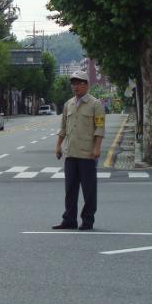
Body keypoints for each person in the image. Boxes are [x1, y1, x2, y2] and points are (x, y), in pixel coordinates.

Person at [53, 70, 105, 231]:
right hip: (71, 153)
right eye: (73, 83)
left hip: (87, 154)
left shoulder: (95, 104)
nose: (75, 86)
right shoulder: (68, 104)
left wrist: (97, 148)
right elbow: (63, 128)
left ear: (86, 85)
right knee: (70, 190)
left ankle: (87, 220)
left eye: (78, 83)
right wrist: (58, 146)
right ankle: (69, 219)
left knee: (89, 190)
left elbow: (99, 128)